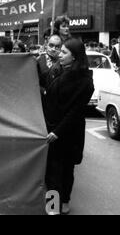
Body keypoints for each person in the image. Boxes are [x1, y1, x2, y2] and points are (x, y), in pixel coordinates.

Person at [44, 38, 94, 215]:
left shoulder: (85, 81)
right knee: (58, 171)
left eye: (64, 52)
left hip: (65, 132)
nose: (60, 54)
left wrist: (56, 132)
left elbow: (76, 112)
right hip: (55, 129)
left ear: (75, 57)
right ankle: (59, 204)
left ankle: (58, 204)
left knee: (60, 171)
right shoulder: (57, 70)